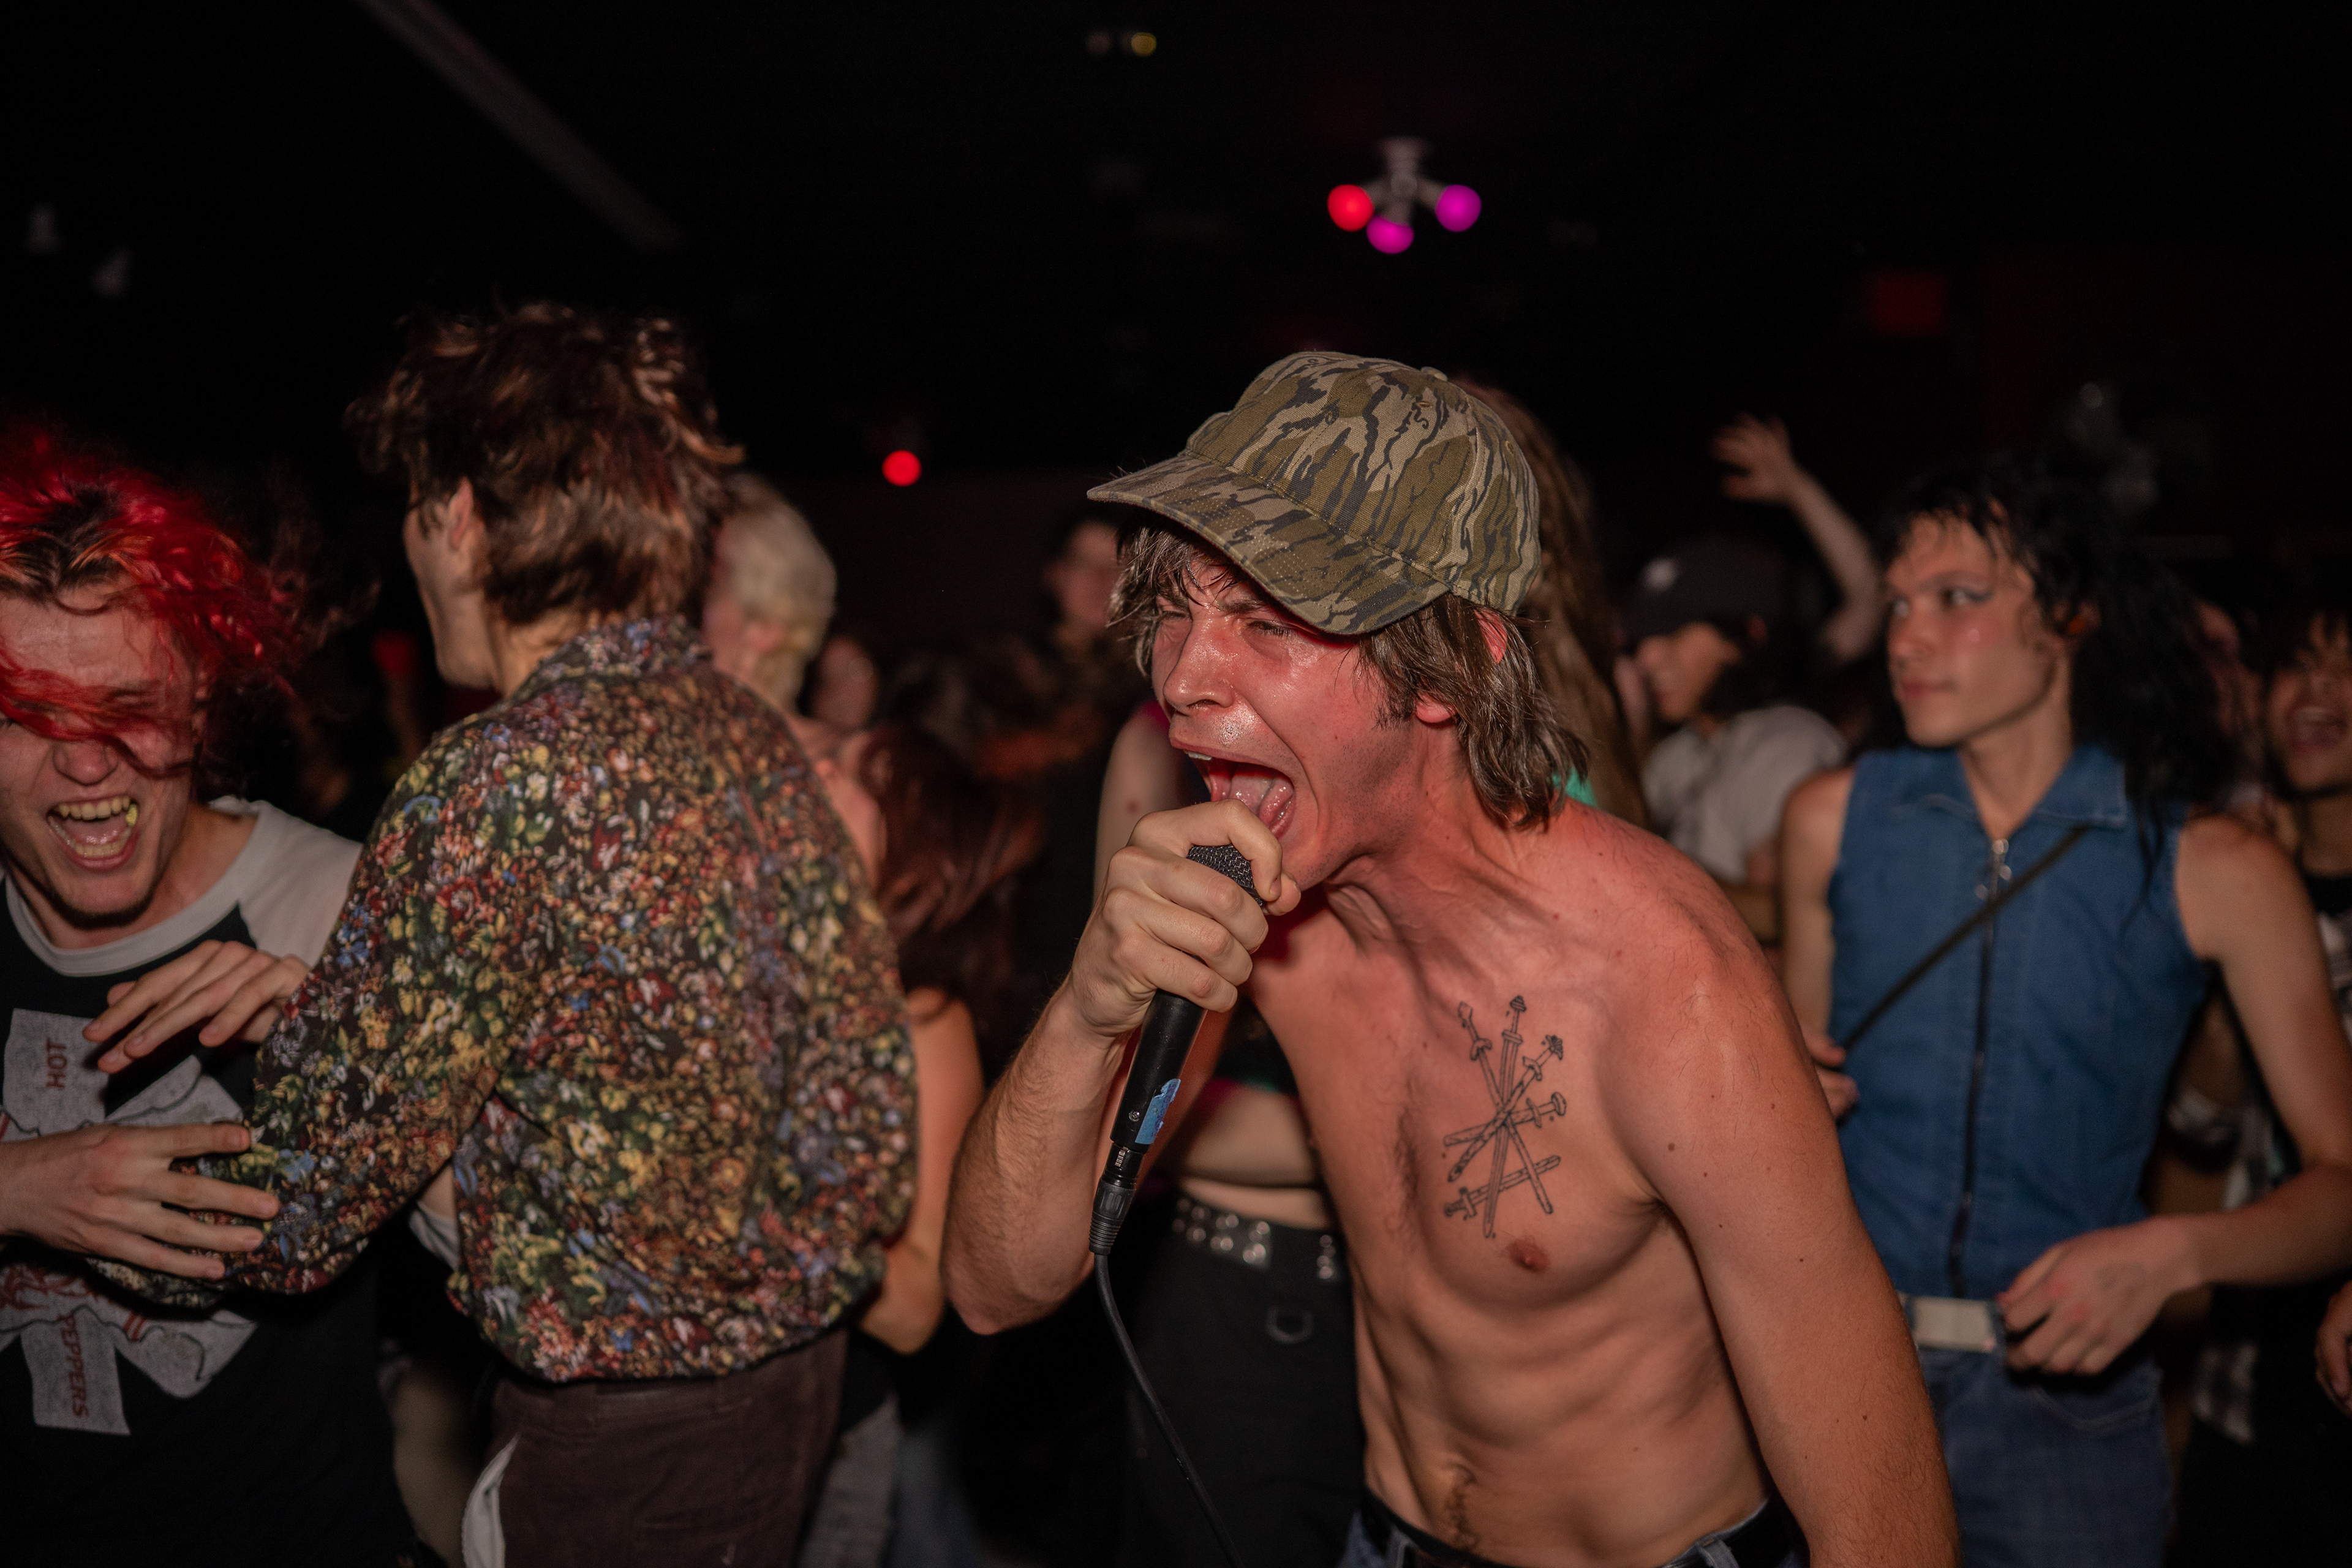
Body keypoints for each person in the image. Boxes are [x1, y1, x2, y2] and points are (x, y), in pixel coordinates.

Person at [944, 352, 1957, 1568]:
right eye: (1175, 613)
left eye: (1264, 622)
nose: (1183, 680)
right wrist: (1087, 1005)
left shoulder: (1667, 985)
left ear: (1456, 663)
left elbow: (1883, 1522)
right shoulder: (1262, 913)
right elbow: (997, 1285)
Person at [80, 304, 916, 1567]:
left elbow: (299, 1209)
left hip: (625, 1461)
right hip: (788, 1400)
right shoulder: (745, 731)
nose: (413, 546)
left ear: (460, 515)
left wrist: (62, 1199)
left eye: (414, 509)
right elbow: (861, 1129)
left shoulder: (498, 776)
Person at [1090, 375, 1651, 1568]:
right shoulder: (1182, 747)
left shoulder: (1566, 724)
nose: (1193, 670)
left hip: (1465, 1323)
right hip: (1258, 1277)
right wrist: (1436, 1137)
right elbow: (1129, 1097)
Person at [1777, 454, 2352, 1567]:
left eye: (1959, 598)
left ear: (2073, 618)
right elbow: (1791, 1127)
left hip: (2067, 1418)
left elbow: (2342, 1184)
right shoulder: (1831, 820)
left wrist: (2173, 1255)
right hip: (1840, 1382)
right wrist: (1771, 1082)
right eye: (1899, 603)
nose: (1907, 635)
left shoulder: (2211, 865)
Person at [0, 431, 419, 1564]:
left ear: (197, 701)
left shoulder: (330, 907)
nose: (86, 764)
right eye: (33, 715)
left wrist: (357, 1051)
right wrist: (23, 1187)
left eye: (126, 704)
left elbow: (515, 1260)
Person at [2169, 577, 2352, 1562]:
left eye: (2348, 667)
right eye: (2298, 666)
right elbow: (2198, 1122)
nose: (2318, 690)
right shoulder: (2230, 872)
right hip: (2248, 1363)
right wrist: (2255, 938)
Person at [1623, 533, 1844, 940]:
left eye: (1673, 634)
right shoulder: (1678, 753)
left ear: (1743, 637)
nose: (1646, 658)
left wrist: (1651, 865)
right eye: (1642, 639)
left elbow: (1780, 917)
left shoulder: (1786, 743)